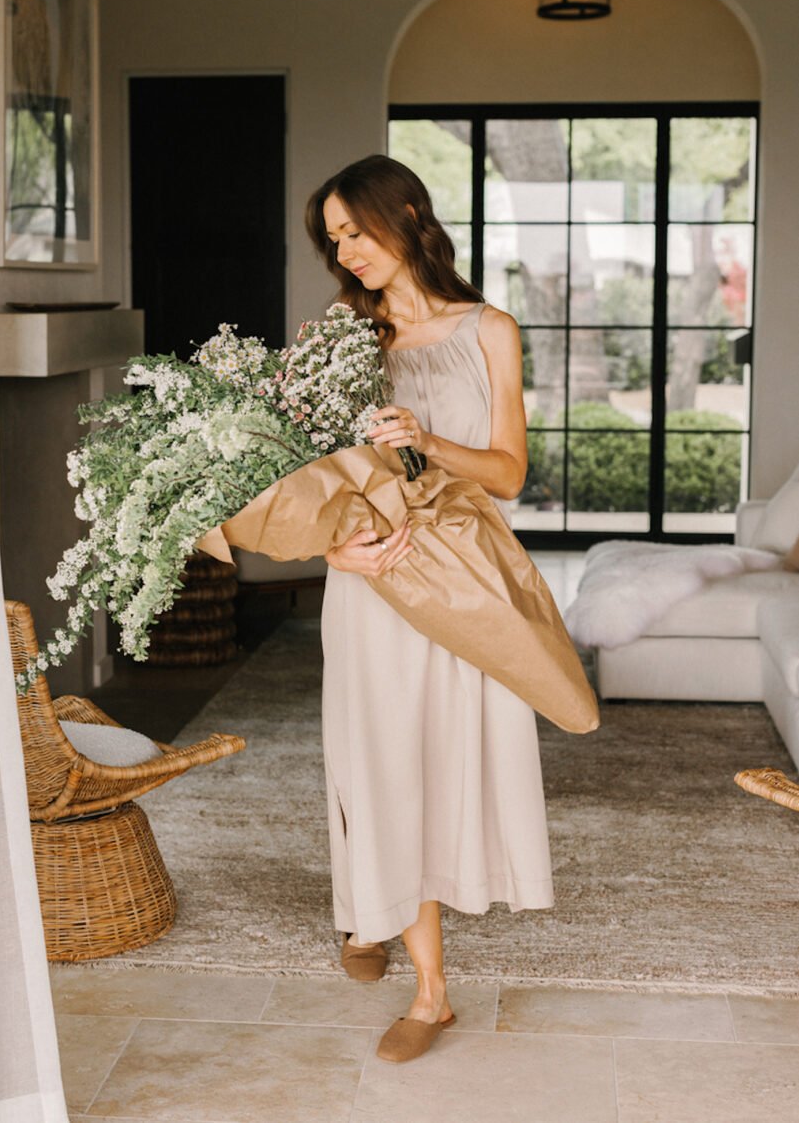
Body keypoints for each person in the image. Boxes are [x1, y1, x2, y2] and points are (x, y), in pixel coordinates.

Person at [304, 154, 553, 1064]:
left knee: (439, 757)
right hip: (367, 578)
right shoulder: (339, 333)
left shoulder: (488, 328)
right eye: (333, 240)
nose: (346, 252)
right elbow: (296, 474)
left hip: (461, 575)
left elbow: (511, 473)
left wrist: (426, 441)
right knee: (370, 758)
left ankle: (410, 964)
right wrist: (330, 546)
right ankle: (396, 949)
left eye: (354, 231)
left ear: (406, 215)